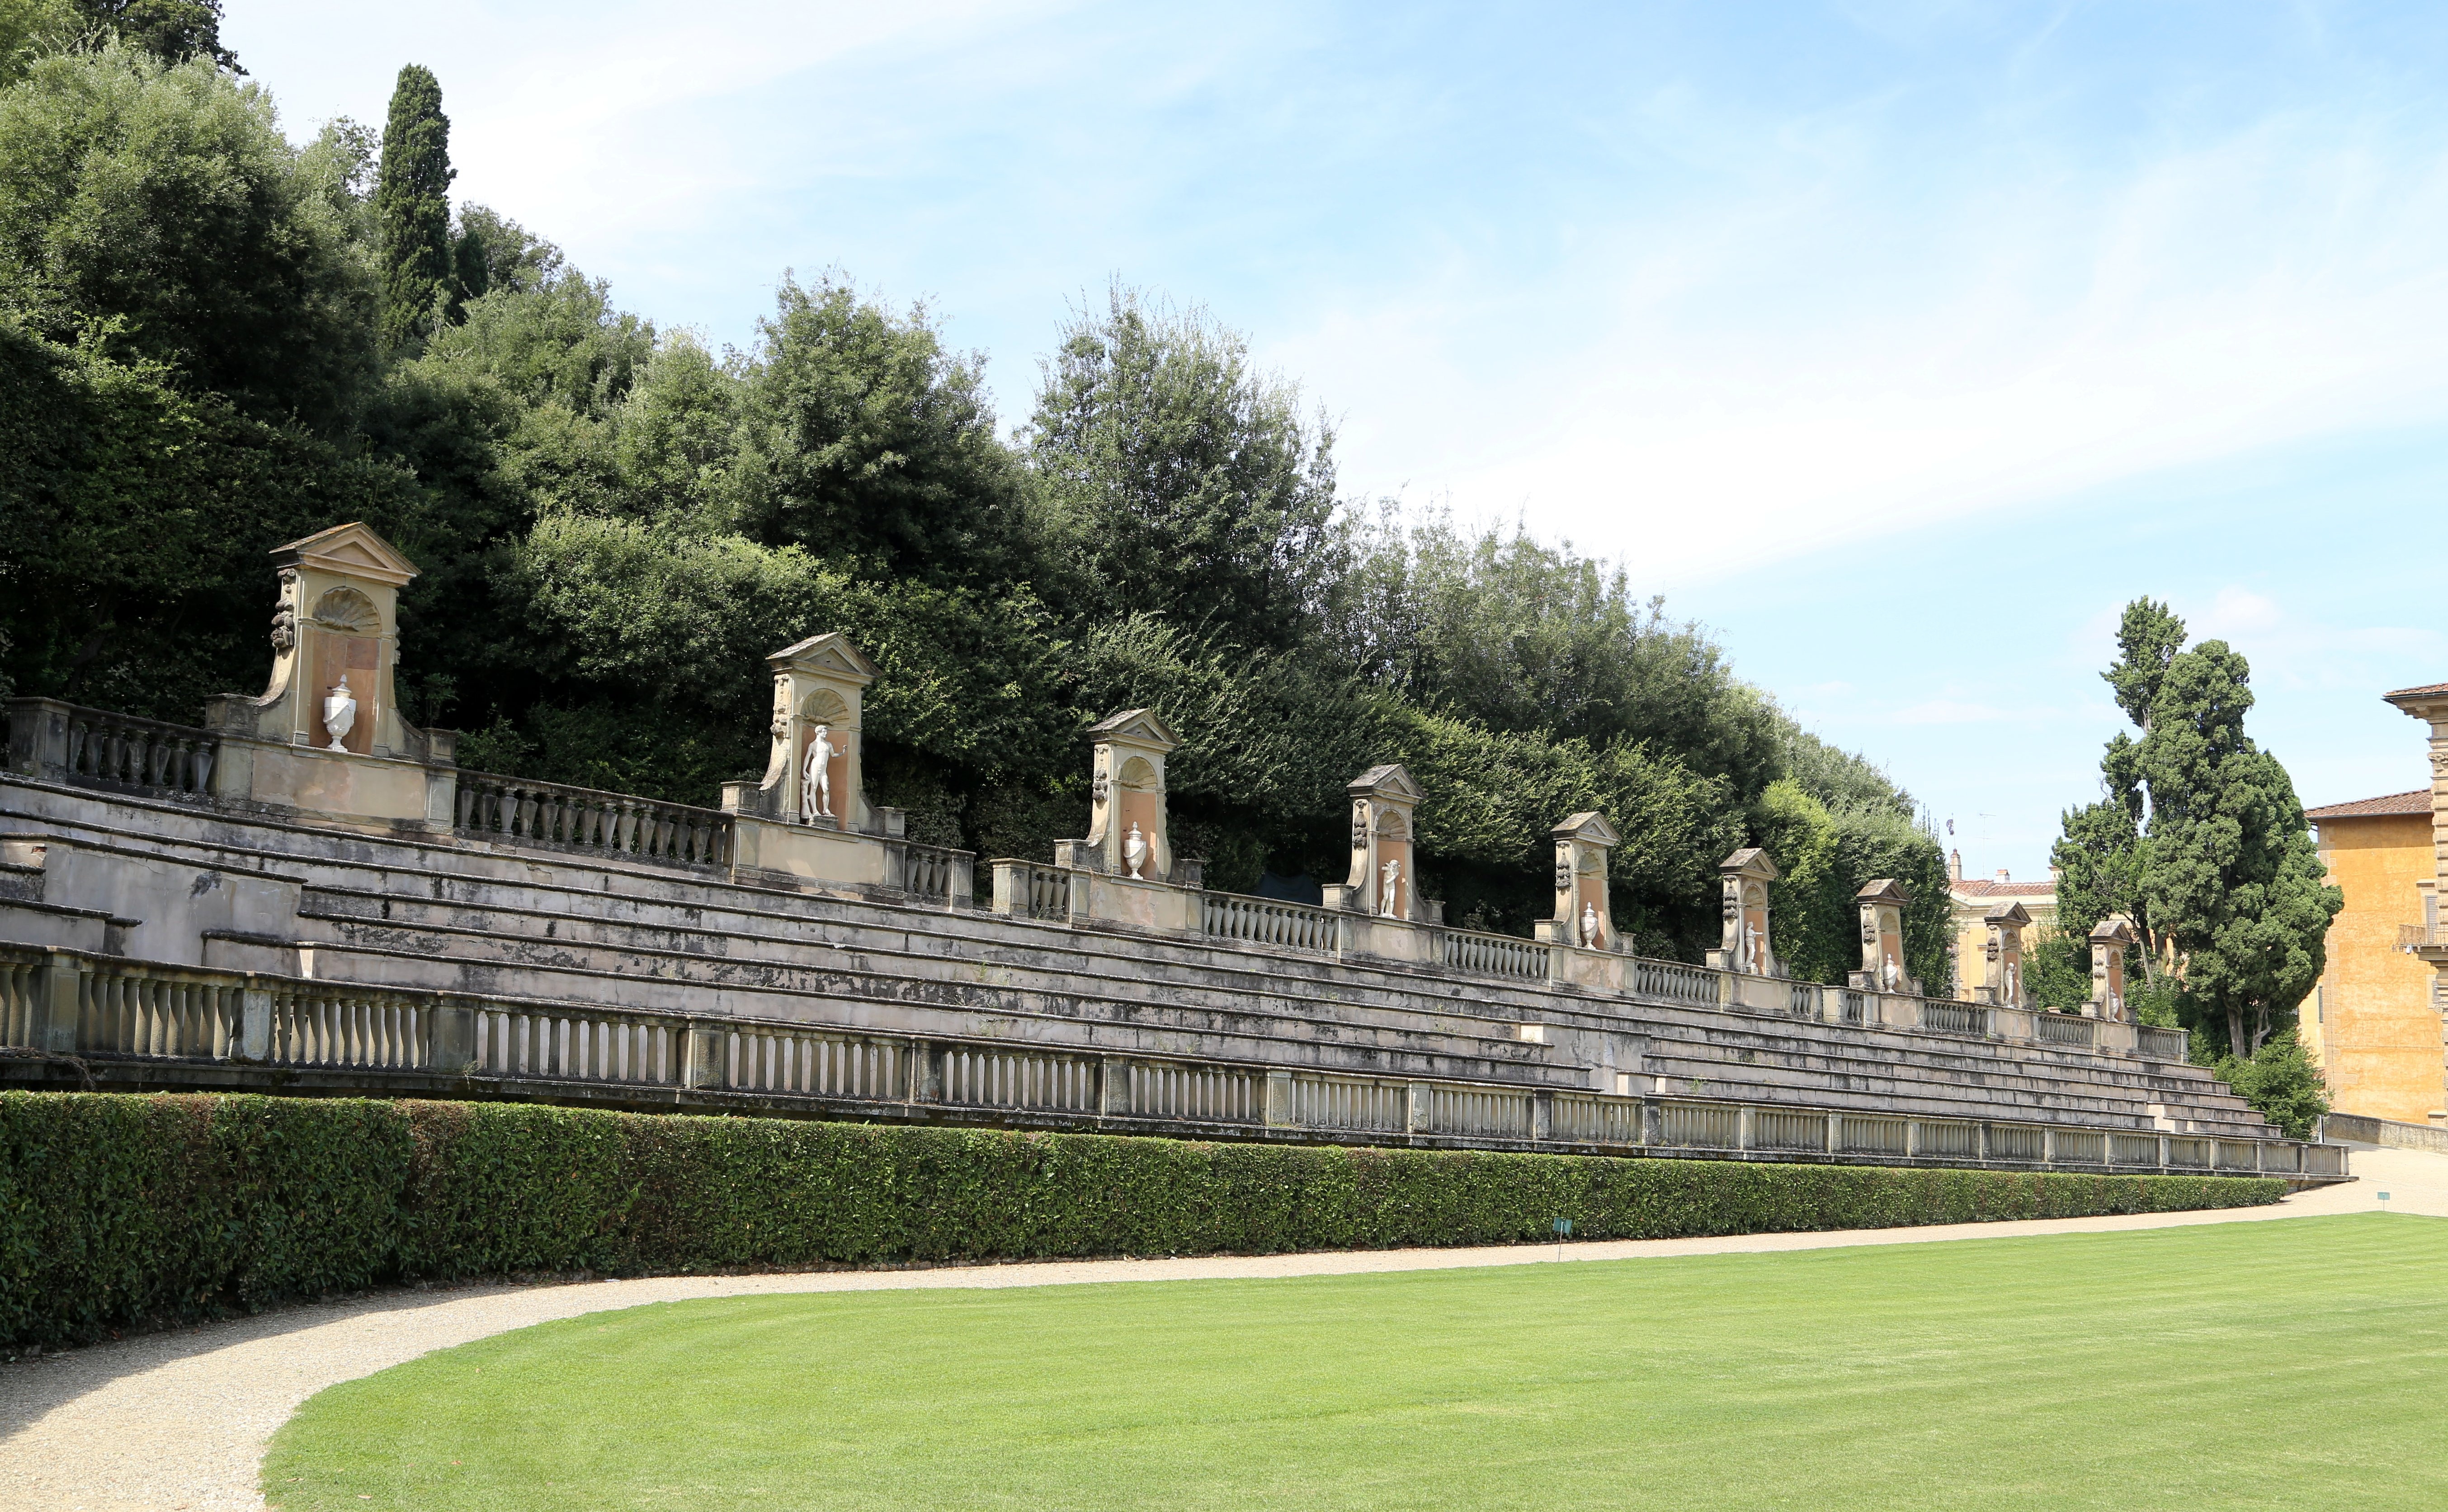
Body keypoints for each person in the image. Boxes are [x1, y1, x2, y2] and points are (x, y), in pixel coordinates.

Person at [802, 725, 836, 821]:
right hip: (815, 767)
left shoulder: (828, 744)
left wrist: (842, 753)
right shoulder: (813, 745)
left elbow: (833, 755)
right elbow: (808, 757)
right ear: (818, 732)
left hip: (823, 770)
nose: (826, 734)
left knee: (827, 789)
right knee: (813, 788)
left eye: (826, 732)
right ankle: (815, 811)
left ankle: (826, 809)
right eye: (824, 732)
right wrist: (804, 770)